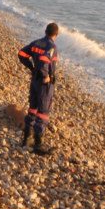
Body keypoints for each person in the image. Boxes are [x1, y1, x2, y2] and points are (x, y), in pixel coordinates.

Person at [18, 22, 60, 155]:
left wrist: (31, 67)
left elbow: (22, 54)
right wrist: (45, 76)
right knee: (43, 111)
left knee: (33, 108)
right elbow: (43, 60)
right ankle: (38, 144)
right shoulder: (51, 46)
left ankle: (26, 139)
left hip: (35, 81)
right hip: (43, 83)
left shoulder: (36, 43)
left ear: (45, 31)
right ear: (56, 34)